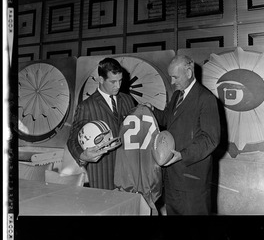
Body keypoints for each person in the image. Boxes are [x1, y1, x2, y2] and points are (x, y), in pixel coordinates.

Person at [147, 55, 221, 215]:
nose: (172, 82)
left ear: (188, 72)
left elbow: (210, 139)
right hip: (173, 178)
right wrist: (151, 110)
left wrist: (183, 155)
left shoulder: (206, 98)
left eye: (175, 77)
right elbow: (167, 119)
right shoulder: (176, 96)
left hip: (192, 180)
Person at [67, 57, 135, 189]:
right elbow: (73, 139)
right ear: (100, 79)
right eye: (113, 82)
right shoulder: (86, 106)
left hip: (128, 174)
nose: (118, 86)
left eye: (120, 81)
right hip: (101, 175)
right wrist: (83, 155)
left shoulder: (127, 100)